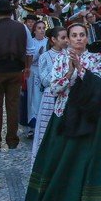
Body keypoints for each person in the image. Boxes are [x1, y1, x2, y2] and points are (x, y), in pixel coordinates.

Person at [25, 22, 101, 201]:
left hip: (89, 117)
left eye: (82, 35)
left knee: (91, 162)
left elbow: (99, 85)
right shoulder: (60, 58)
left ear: (87, 38)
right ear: (67, 39)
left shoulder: (96, 59)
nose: (78, 38)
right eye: (74, 35)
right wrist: (69, 73)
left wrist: (81, 70)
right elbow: (54, 88)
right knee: (68, 161)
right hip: (65, 115)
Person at [0, 0, 28, 150]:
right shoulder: (21, 28)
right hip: (16, 69)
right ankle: (12, 140)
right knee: (13, 105)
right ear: (11, 12)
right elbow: (29, 50)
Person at [31, 26, 68, 164]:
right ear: (53, 40)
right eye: (63, 38)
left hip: (65, 95)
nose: (66, 40)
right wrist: (62, 76)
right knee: (46, 128)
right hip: (50, 97)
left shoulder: (69, 55)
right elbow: (46, 80)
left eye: (66, 37)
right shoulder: (45, 57)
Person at [26, 20, 49, 139]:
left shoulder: (48, 42)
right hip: (33, 71)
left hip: (44, 72)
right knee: (32, 99)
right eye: (39, 28)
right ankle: (32, 126)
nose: (41, 30)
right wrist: (37, 55)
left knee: (43, 99)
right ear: (34, 30)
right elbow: (28, 58)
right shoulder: (31, 42)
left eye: (43, 28)